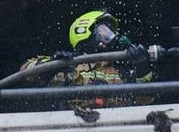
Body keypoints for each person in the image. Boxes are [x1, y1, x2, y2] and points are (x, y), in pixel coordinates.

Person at [19, 10, 155, 88]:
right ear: (84, 33)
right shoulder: (68, 68)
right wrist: (53, 65)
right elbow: (26, 73)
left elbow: (145, 99)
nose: (112, 38)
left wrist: (142, 70)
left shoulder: (123, 71)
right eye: (104, 32)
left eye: (112, 32)